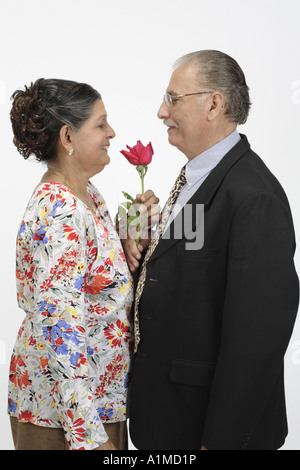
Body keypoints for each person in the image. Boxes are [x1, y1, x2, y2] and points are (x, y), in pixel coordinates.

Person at [127, 50, 299, 450]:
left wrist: (221, 440)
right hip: (168, 417)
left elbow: (257, 337)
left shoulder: (255, 196)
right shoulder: (196, 176)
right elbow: (180, 264)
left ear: (214, 104)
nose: (160, 111)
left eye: (173, 98)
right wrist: (136, 236)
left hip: (205, 429)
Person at [8, 78, 159, 450]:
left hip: (99, 403)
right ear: (68, 138)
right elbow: (61, 327)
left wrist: (128, 241)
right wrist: (88, 435)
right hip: (65, 416)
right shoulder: (61, 210)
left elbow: (91, 290)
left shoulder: (88, 194)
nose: (111, 132)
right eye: (100, 124)